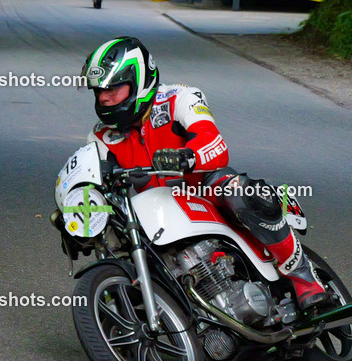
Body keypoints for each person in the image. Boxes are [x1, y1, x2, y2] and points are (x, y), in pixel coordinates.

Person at [81, 36, 330, 311]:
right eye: (99, 90)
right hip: (157, 211)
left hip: (204, 187)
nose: (103, 97)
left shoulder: (179, 98)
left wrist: (187, 157)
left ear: (139, 82)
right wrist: (76, 212)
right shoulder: (101, 136)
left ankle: (303, 275)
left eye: (113, 87)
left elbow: (215, 144)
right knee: (121, 237)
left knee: (243, 193)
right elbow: (93, 184)